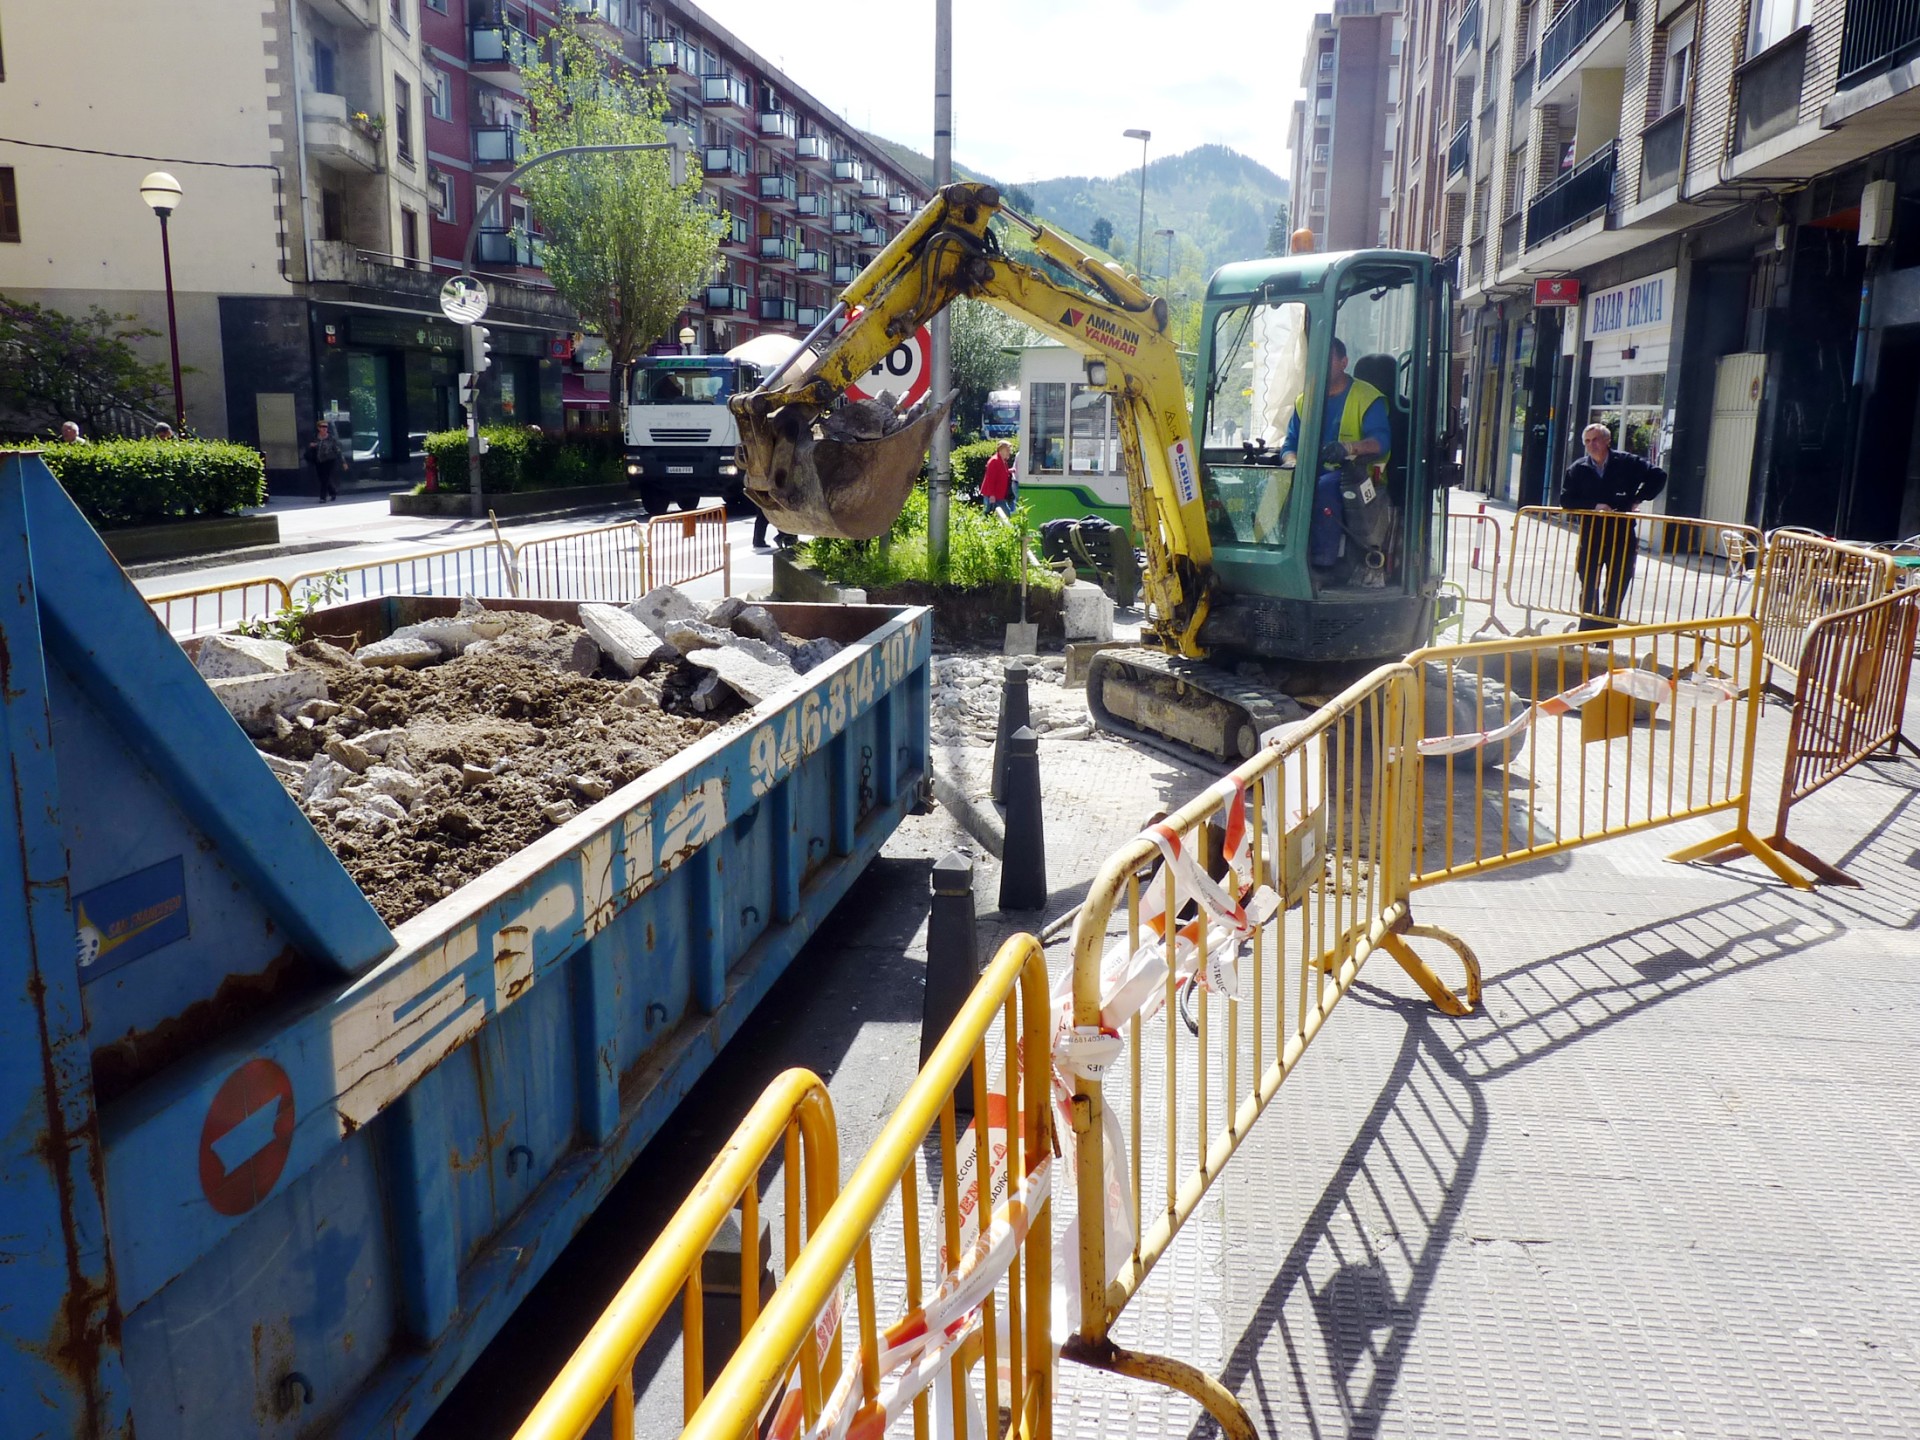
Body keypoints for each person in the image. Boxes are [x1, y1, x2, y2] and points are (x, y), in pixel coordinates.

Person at [1278, 337, 1390, 576]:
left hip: (1359, 474)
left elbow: (1380, 441)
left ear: (1344, 362)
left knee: (1325, 488)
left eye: (1326, 361)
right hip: (1313, 471)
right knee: (1276, 486)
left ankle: (1322, 562)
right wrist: (1292, 463)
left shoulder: (1367, 397)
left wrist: (1348, 448)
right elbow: (1290, 443)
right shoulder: (1304, 400)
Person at [1560, 421, 1666, 628]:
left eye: (1596, 440)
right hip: (1592, 534)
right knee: (1589, 583)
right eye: (1588, 441)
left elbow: (1658, 476)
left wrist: (1638, 498)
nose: (1592, 445)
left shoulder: (1627, 463)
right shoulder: (1578, 468)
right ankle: (1586, 632)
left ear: (1607, 441)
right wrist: (1594, 505)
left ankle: (1605, 635)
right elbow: (1566, 500)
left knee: (1617, 584)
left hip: (1622, 534)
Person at [305, 419, 345, 503]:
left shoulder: (331, 438)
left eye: (326, 427)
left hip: (329, 460)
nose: (324, 428)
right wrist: (312, 446)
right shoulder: (315, 437)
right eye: (322, 426)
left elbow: (337, 450)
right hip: (318, 460)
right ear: (318, 428)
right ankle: (333, 492)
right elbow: (308, 447)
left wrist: (343, 461)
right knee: (322, 478)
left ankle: (322, 497)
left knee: (325, 478)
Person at [980, 440, 1015, 517]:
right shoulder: (994, 461)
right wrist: (992, 495)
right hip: (993, 494)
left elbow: (1001, 473)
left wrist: (1009, 471)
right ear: (1001, 449)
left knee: (998, 514)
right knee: (991, 514)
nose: (1009, 452)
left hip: (999, 494)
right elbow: (990, 479)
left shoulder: (1003, 461)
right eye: (1007, 450)